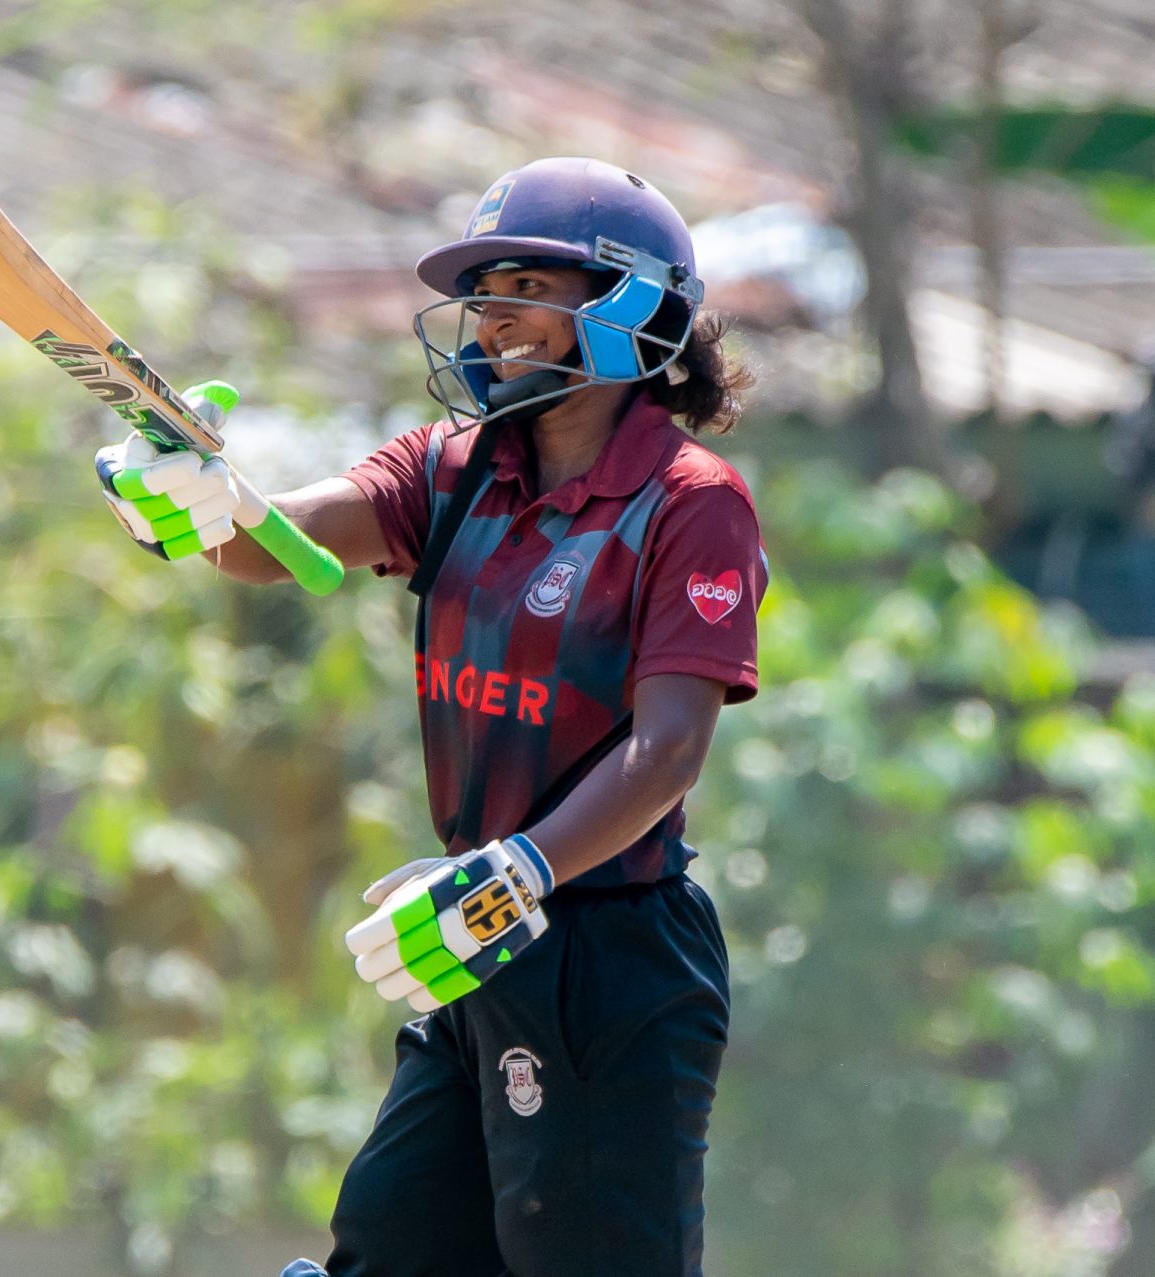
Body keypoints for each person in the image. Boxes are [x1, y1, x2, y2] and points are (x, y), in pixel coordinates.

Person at [96, 156, 766, 1277]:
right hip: (476, 934)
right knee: (389, 1243)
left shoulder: (691, 500)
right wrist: (192, 498)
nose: (492, 316)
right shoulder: (456, 469)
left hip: (608, 953)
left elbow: (668, 751)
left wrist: (516, 873)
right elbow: (277, 539)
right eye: (485, 286)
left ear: (633, 304)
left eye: (528, 286)